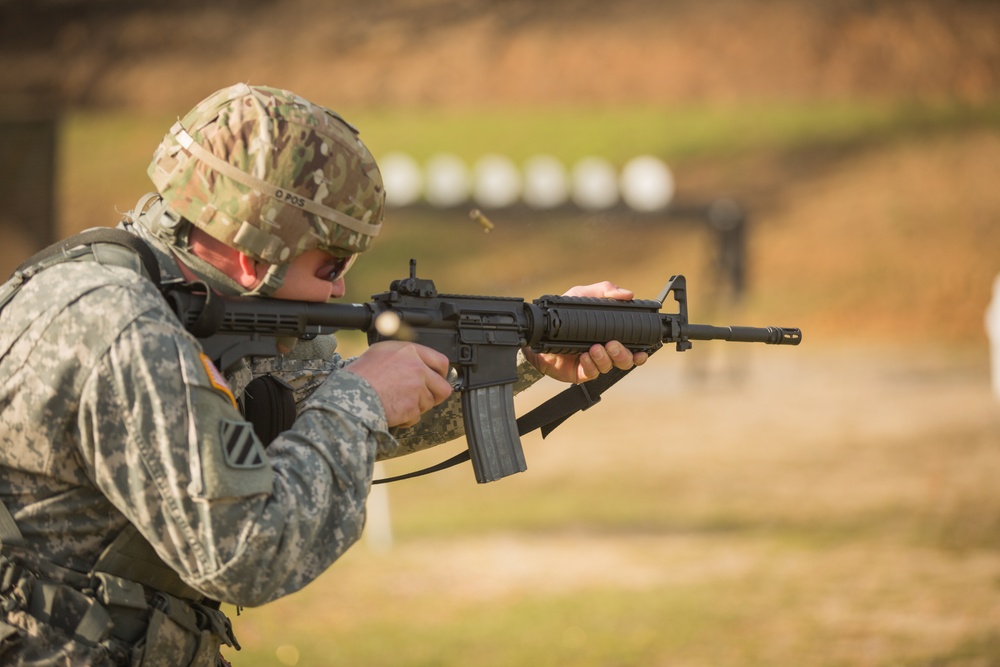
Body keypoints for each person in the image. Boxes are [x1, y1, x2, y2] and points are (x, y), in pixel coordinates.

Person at [0, 83, 646, 666]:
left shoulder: (185, 300)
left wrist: (528, 357)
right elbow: (248, 553)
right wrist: (359, 394)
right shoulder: (124, 328)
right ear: (256, 254)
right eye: (332, 263)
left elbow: (316, 420)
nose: (342, 286)